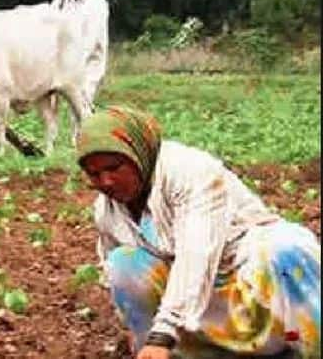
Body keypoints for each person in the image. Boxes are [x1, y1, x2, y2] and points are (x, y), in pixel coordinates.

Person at [75, 105, 321, 359]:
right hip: (191, 305)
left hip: (247, 276)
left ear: (138, 153)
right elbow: (113, 272)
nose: (105, 182)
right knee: (124, 263)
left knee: (286, 248)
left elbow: (197, 255)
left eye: (114, 168)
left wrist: (162, 334)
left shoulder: (191, 172)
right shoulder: (107, 211)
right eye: (94, 174)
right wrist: (143, 331)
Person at [52, 0, 109, 107]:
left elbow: (91, 39)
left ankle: (83, 131)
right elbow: (52, 30)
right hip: (63, 63)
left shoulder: (97, 3)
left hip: (89, 63)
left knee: (82, 102)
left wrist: (75, 62)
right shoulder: (59, 1)